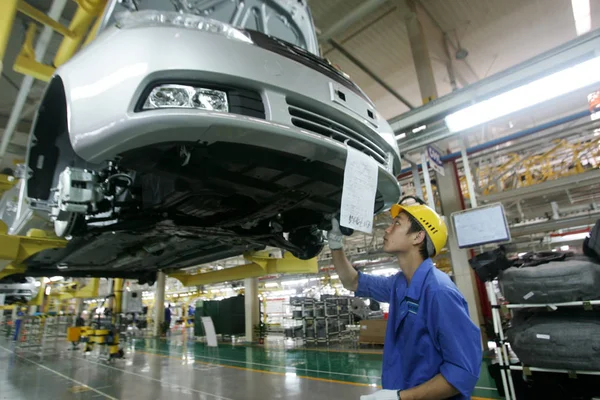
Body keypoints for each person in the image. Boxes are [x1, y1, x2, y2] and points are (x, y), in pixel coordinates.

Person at [328, 198, 482, 400]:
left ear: (418, 236)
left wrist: (401, 397)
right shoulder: (399, 284)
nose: (387, 230)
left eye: (397, 223)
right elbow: (353, 282)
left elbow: (462, 372)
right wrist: (336, 244)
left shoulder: (439, 291)